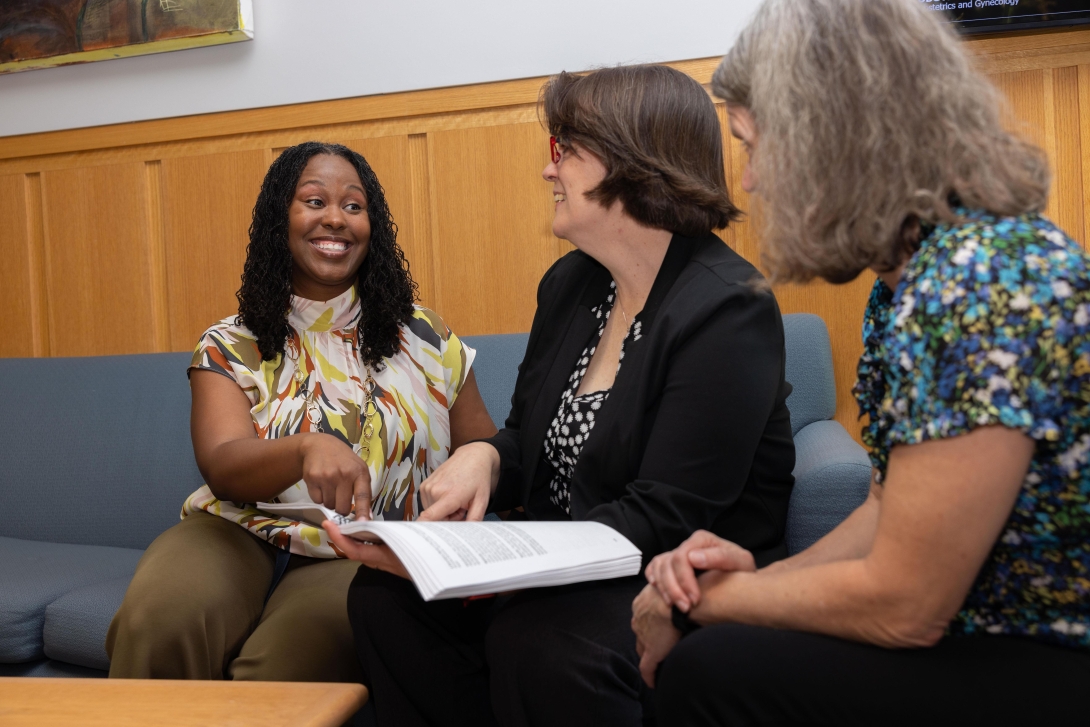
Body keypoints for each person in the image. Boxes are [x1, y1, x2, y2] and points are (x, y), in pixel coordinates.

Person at [631, 1, 1090, 724]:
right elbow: (886, 507)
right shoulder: (910, 276)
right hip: (984, 632)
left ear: (830, 137)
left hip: (1053, 655)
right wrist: (764, 582)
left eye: (751, 144)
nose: (746, 183)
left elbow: (908, 605)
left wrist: (706, 604)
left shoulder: (979, 278)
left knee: (708, 671)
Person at [323, 64, 796, 726]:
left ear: (635, 162)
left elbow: (668, 515)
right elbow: (526, 435)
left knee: (541, 642)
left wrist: (491, 564)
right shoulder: (571, 285)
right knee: (383, 598)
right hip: (563, 563)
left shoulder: (727, 308)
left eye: (567, 151)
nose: (550, 171)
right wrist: (485, 458)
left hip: (673, 571)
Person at [106, 141, 496, 681]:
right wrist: (307, 446)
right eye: (314, 202)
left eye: (354, 206)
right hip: (237, 531)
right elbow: (222, 466)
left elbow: (484, 450)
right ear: (279, 220)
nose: (335, 218)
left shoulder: (426, 337)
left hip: (368, 545)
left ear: (372, 224)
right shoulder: (229, 342)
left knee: (283, 666)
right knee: (159, 620)